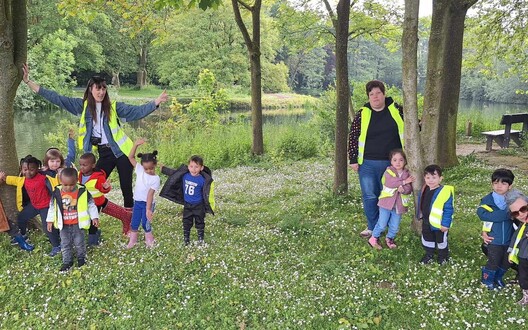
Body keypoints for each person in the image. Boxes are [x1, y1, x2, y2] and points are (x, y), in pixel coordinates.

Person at [22, 64, 168, 210]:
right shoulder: (82, 106)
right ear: (90, 90)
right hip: (104, 153)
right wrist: (29, 82)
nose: (101, 92)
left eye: (104, 88)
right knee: (91, 182)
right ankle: (92, 213)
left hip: (122, 152)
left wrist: (156, 102)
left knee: (126, 187)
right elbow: (57, 98)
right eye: (98, 88)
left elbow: (137, 111)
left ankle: (129, 220)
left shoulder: (114, 107)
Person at [348, 80, 404, 238]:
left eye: (378, 93)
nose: (375, 96)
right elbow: (353, 136)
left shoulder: (396, 109)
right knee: (370, 196)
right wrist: (353, 159)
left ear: (384, 94)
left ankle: (389, 227)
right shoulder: (363, 113)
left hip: (392, 164)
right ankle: (373, 227)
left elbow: (413, 126)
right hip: (367, 163)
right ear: (368, 97)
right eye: (371, 94)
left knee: (389, 195)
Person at [0, 155, 61, 256]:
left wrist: (60, 174)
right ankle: (23, 235)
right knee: (21, 217)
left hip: (45, 206)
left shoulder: (44, 178)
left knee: (47, 228)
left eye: (31, 169)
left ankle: (56, 246)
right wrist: (4, 178)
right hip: (34, 205)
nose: (27, 172)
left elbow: (56, 182)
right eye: (25, 169)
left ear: (37, 169)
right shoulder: (23, 179)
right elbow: (14, 180)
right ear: (22, 169)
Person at [47, 168, 99, 271]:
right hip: (63, 225)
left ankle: (81, 258)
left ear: (76, 181)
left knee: (79, 242)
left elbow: (91, 204)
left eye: (71, 184)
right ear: (61, 182)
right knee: (65, 243)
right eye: (65, 185)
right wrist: (50, 220)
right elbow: (52, 207)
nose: (68, 187)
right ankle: (67, 261)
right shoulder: (56, 193)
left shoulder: (82, 191)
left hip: (78, 224)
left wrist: (94, 217)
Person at [78, 152, 132, 245]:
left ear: (93, 165)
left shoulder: (98, 176)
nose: (82, 167)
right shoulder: (79, 175)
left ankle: (93, 242)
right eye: (80, 165)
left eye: (85, 165)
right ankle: (125, 215)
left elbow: (103, 189)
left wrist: (106, 187)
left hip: (96, 203)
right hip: (85, 202)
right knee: (105, 207)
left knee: (93, 222)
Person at [160, 155, 215, 246]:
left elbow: (207, 193)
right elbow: (174, 173)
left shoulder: (203, 180)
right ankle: (186, 239)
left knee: (200, 221)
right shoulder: (184, 175)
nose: (193, 169)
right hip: (187, 205)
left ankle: (200, 238)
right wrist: (163, 169)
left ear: (201, 168)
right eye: (191, 166)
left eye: (196, 167)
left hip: (198, 205)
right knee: (186, 221)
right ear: (188, 166)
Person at [368, 149, 414, 250]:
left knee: (395, 225)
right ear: (391, 161)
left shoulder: (407, 173)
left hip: (398, 205)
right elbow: (390, 183)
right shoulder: (388, 171)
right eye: (395, 160)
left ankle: (390, 239)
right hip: (386, 203)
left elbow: (409, 188)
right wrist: (403, 182)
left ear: (405, 161)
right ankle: (374, 238)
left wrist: (403, 190)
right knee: (382, 223)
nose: (398, 162)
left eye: (401, 160)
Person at [477, 169, 515, 290]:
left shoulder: (514, 200)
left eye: (503, 183)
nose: (499, 186)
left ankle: (498, 277)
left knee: (507, 261)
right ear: (492, 184)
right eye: (496, 183)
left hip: (510, 239)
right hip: (494, 239)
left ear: (510, 186)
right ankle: (487, 280)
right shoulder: (487, 201)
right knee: (493, 261)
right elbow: (483, 215)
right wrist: (508, 214)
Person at [417, 164, 454, 265]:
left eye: (434, 177)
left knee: (441, 240)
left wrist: (445, 224)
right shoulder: (424, 189)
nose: (431, 180)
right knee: (427, 238)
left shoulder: (445, 192)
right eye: (428, 177)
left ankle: (443, 256)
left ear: (440, 178)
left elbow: (448, 209)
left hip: (439, 224)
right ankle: (429, 254)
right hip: (426, 221)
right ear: (424, 178)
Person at [126, 139, 160, 249]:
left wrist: (148, 209)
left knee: (146, 223)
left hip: (148, 204)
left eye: (151, 168)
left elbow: (150, 195)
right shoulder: (140, 170)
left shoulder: (156, 179)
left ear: (155, 164)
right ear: (142, 166)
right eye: (146, 168)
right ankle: (133, 240)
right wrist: (135, 145)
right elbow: (130, 157)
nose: (149, 170)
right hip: (138, 202)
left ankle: (149, 240)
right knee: (134, 222)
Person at [505, 189, 528, 305]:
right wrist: (511, 251)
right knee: (524, 276)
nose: (521, 214)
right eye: (515, 213)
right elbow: (515, 238)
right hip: (524, 255)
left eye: (523, 209)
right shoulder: (522, 225)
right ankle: (526, 296)